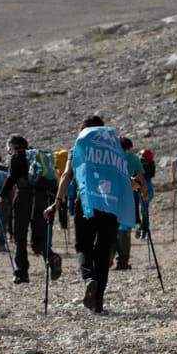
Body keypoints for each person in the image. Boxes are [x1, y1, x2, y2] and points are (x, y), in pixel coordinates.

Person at [44, 116, 135, 314]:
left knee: (83, 246)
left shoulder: (80, 145)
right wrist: (136, 186)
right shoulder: (115, 149)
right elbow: (124, 177)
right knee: (103, 251)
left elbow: (68, 175)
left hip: (86, 203)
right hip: (110, 205)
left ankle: (89, 279)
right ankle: (98, 302)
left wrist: (57, 202)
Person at [0, 136, 57, 283]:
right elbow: (53, 184)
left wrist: (0, 196)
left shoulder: (16, 156)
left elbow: (12, 178)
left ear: (12, 146)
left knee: (20, 235)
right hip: (41, 199)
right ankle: (51, 257)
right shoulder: (40, 157)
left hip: (23, 197)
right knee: (40, 233)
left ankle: (22, 272)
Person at [112, 137, 148, 270]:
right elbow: (141, 178)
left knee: (111, 226)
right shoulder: (132, 158)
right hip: (127, 195)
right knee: (124, 228)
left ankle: (107, 257)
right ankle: (122, 262)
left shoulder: (110, 156)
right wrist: (144, 194)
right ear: (129, 147)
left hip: (109, 196)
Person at [137, 148, 157, 239]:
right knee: (145, 209)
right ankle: (144, 229)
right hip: (149, 187)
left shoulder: (140, 161)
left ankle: (142, 229)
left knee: (142, 210)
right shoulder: (151, 163)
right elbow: (152, 175)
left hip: (141, 186)